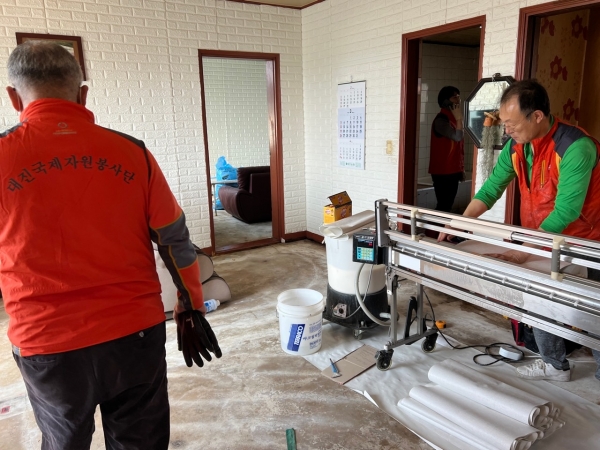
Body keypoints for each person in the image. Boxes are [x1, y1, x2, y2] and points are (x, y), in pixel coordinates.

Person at [2, 41, 220, 449]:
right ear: (83, 94)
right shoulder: (133, 153)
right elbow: (174, 239)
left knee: (64, 442)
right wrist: (190, 304)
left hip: (47, 342)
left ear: (13, 97)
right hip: (134, 333)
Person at [439, 79, 600, 382]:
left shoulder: (575, 147)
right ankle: (554, 365)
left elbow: (566, 211)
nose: (506, 130)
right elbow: (491, 189)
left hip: (585, 242)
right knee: (537, 299)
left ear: (537, 116)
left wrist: (520, 252)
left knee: (591, 314)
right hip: (541, 238)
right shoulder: (517, 147)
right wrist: (458, 222)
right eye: (504, 123)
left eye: (511, 124)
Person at [429, 86, 465, 212]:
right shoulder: (441, 120)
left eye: (459, 97)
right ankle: (433, 225)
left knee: (447, 205)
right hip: (442, 171)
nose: (458, 100)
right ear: (445, 101)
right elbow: (458, 137)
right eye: (454, 97)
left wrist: (460, 169)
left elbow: (459, 148)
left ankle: (439, 226)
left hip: (452, 170)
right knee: (444, 206)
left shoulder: (452, 119)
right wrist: (459, 118)